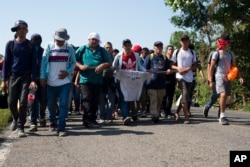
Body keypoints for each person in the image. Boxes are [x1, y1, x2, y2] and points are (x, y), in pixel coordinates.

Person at [1, 20, 37, 137]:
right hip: (13, 76)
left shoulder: (31, 45)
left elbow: (34, 64)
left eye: (23, 28)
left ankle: (21, 127)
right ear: (16, 31)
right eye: (19, 28)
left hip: (26, 77)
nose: (21, 31)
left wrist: (33, 79)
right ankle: (15, 118)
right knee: (11, 102)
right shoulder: (10, 44)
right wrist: (4, 80)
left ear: (27, 30)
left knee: (23, 102)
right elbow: (6, 63)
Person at [40, 28, 76, 136]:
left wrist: (68, 71)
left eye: (63, 40)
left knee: (64, 104)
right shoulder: (49, 47)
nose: (61, 42)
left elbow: (73, 62)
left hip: (65, 82)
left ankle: (61, 127)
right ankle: (52, 121)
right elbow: (44, 63)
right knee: (51, 104)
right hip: (51, 81)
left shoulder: (69, 48)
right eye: (59, 40)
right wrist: (42, 76)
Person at [75, 32, 112, 128]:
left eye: (96, 40)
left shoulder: (102, 50)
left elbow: (109, 62)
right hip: (85, 79)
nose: (94, 41)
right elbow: (73, 59)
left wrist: (102, 65)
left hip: (97, 79)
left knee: (95, 100)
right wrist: (80, 66)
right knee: (87, 99)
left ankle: (93, 119)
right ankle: (86, 120)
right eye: (92, 39)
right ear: (89, 40)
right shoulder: (82, 49)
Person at [208, 34, 243, 125]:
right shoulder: (216, 53)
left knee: (225, 96)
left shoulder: (231, 54)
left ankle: (220, 114)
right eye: (228, 42)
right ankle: (222, 116)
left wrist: (239, 77)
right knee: (223, 94)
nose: (230, 44)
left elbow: (234, 67)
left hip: (228, 77)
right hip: (219, 76)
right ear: (224, 43)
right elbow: (211, 67)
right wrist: (210, 81)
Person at [112, 39, 150, 125]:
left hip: (133, 80)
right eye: (126, 45)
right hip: (121, 80)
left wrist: (145, 72)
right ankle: (125, 116)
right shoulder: (118, 56)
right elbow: (114, 67)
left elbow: (139, 66)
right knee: (124, 97)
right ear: (123, 46)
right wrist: (116, 69)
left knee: (132, 97)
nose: (127, 47)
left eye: (129, 45)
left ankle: (132, 114)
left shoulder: (136, 55)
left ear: (131, 46)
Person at [171, 34, 198, 124]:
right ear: (180, 42)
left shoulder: (192, 52)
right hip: (180, 77)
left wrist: (187, 69)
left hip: (189, 77)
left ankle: (177, 112)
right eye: (182, 40)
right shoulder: (177, 52)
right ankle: (186, 117)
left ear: (189, 41)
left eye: (186, 40)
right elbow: (171, 64)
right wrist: (178, 68)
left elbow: (195, 65)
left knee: (185, 97)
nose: (184, 42)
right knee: (185, 93)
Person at [143, 41, 172, 123]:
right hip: (151, 83)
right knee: (153, 99)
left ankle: (156, 113)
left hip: (161, 83)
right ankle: (154, 115)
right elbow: (144, 68)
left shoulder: (165, 58)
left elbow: (168, 68)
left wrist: (169, 70)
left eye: (160, 47)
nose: (159, 48)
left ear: (162, 48)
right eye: (157, 46)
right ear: (154, 48)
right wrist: (150, 71)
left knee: (159, 100)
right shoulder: (150, 57)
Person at [28, 33, 47, 131]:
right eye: (34, 39)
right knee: (32, 101)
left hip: (42, 80)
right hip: (32, 81)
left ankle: (42, 116)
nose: (36, 41)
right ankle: (33, 122)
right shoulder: (28, 51)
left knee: (43, 101)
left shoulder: (43, 51)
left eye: (38, 39)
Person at [98, 42, 116, 124]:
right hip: (101, 81)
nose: (108, 49)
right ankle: (102, 117)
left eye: (109, 47)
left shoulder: (115, 58)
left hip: (111, 81)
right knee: (101, 100)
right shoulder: (100, 57)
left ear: (112, 49)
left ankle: (109, 117)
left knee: (111, 100)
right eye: (106, 47)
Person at [187, 44, 205, 115]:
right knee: (186, 95)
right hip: (185, 79)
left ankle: (187, 110)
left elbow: (200, 68)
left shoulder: (195, 58)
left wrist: (203, 76)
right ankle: (184, 110)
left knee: (190, 95)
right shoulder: (185, 57)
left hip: (192, 79)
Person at [160, 45, 176, 119]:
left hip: (172, 79)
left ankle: (168, 111)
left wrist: (172, 71)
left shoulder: (174, 60)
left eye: (172, 49)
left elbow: (177, 69)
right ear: (166, 50)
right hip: (164, 79)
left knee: (170, 96)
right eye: (169, 49)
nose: (171, 51)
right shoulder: (163, 59)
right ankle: (162, 110)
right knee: (164, 96)